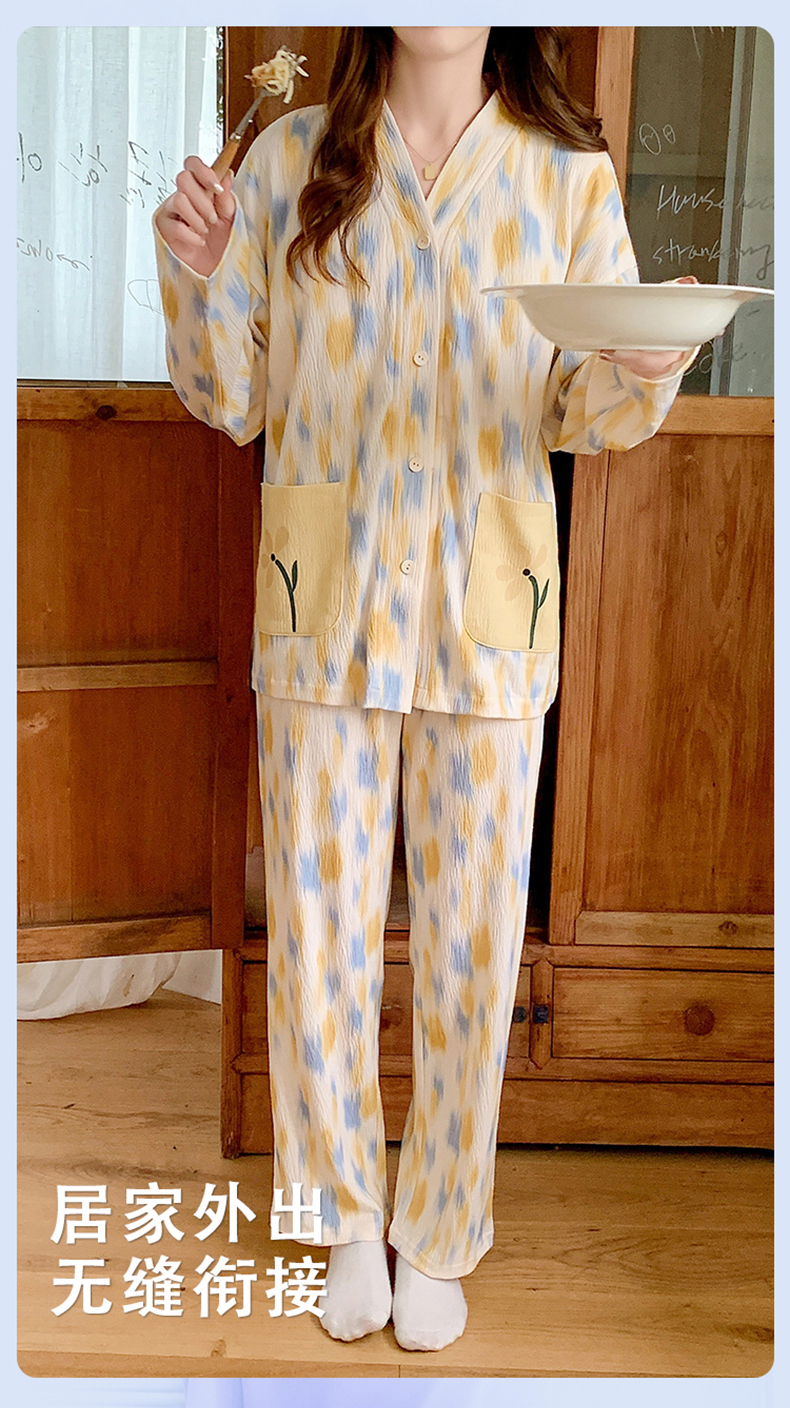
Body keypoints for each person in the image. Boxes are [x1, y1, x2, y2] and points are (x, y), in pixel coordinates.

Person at [153, 26, 700, 1354]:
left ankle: (441, 1229)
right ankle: (341, 1218)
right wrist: (198, 277)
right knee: (320, 935)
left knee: (471, 943)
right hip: (323, 605)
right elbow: (231, 396)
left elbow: (584, 408)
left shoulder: (566, 176)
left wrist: (647, 367)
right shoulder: (291, 160)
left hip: (486, 613)